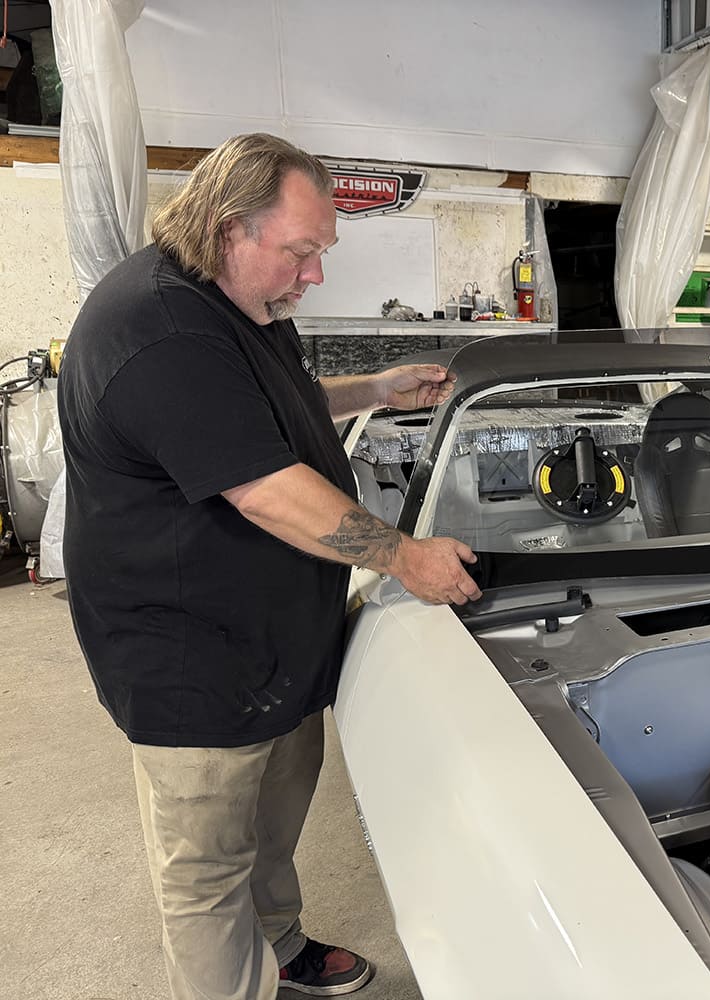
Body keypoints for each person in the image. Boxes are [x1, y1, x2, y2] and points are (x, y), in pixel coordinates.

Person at [57, 133, 481, 1000]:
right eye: (301, 252)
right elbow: (263, 489)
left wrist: (374, 388)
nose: (314, 275)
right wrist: (402, 556)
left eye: (321, 252)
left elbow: (263, 410)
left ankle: (279, 946)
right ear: (225, 228)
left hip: (271, 639)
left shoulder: (237, 307)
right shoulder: (159, 327)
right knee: (207, 868)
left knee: (274, 822)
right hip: (191, 661)